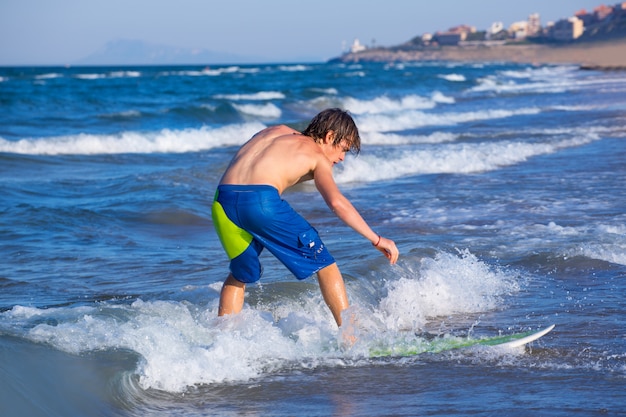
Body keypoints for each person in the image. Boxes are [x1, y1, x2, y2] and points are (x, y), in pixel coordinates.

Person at [212, 108, 399, 327]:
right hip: (261, 203)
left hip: (221, 203)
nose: (342, 158)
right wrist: (376, 239)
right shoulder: (316, 155)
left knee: (240, 274)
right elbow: (337, 202)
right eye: (343, 149)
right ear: (329, 136)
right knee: (325, 264)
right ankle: (351, 336)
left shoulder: (275, 131)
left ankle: (222, 340)